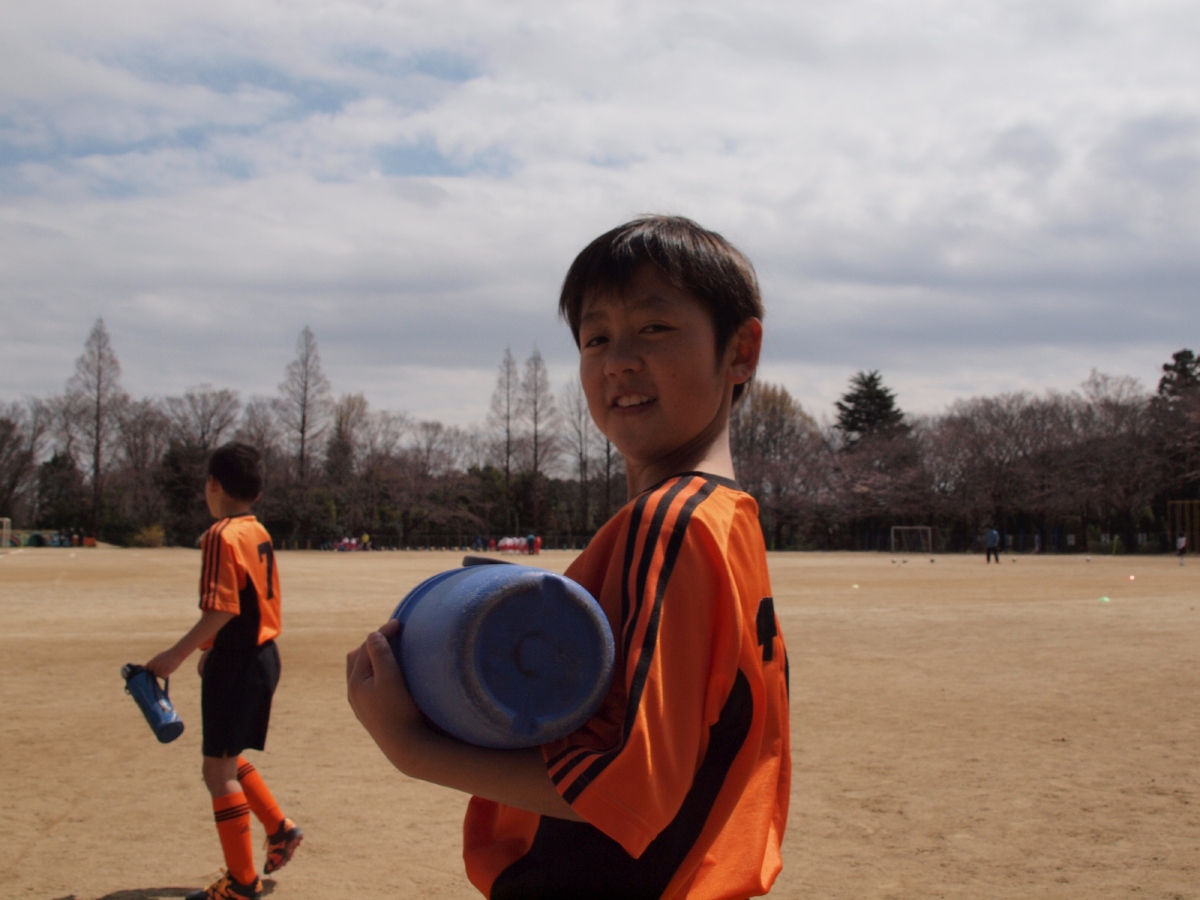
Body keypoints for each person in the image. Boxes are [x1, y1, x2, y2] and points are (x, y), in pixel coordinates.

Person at [347, 215, 791, 899]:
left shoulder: (672, 524)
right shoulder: (726, 518)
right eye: (596, 338)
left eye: (655, 328)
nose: (618, 361)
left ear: (741, 349)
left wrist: (411, 746)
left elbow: (628, 790)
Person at [146, 442, 302, 900]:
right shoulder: (256, 529)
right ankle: (280, 829)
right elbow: (246, 603)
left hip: (238, 663)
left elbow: (223, 608)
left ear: (213, 484)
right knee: (227, 758)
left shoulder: (220, 534)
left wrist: (174, 655)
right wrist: (212, 649)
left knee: (218, 772)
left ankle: (242, 883)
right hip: (261, 656)